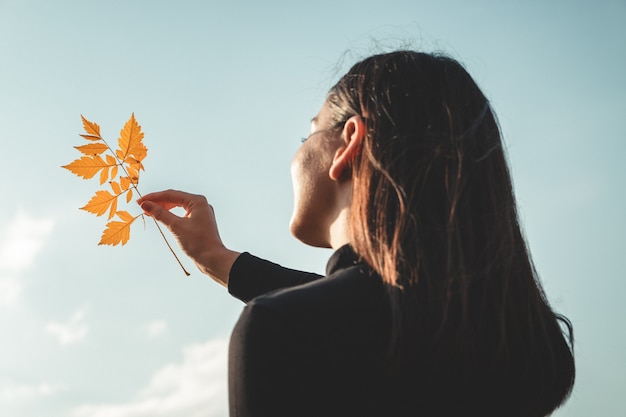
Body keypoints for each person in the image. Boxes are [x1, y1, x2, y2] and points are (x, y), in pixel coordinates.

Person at [138, 51, 575, 416]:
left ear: (348, 142)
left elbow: (347, 315)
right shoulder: (521, 347)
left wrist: (266, 302)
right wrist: (217, 257)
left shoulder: (281, 331)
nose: (296, 153)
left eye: (307, 133)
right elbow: (383, 309)